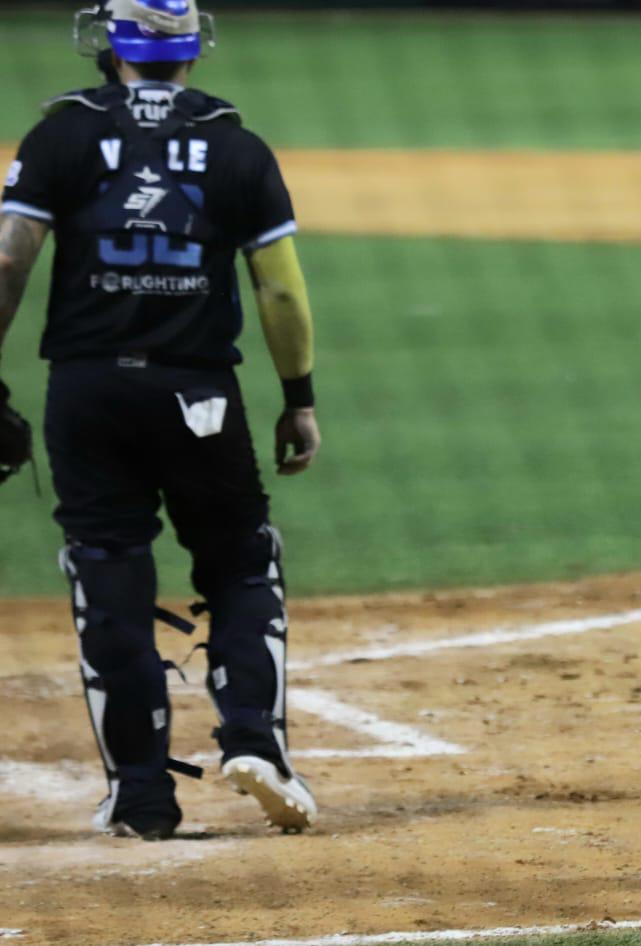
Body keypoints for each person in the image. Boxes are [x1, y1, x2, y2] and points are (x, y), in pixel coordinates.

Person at [0, 0, 319, 839]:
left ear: (110, 47)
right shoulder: (237, 145)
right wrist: (300, 397)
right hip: (201, 395)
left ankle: (141, 794)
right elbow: (280, 288)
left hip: (87, 392)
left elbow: (8, 260)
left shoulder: (59, 137)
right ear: (190, 52)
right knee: (240, 564)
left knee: (108, 572)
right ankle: (256, 740)